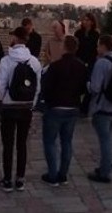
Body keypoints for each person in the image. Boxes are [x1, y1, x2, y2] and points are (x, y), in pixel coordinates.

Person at [0, 26, 42, 192]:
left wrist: (4, 100)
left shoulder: (6, 61)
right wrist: (32, 104)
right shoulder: (34, 62)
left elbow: (0, 86)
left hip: (9, 107)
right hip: (26, 108)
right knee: (22, 144)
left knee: (8, 144)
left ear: (15, 38)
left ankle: (7, 180)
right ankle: (20, 179)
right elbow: (37, 88)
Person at [41, 36, 88, 186]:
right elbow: (83, 88)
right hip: (72, 107)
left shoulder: (55, 66)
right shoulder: (82, 66)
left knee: (50, 142)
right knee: (67, 142)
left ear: (64, 47)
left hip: (55, 107)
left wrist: (47, 103)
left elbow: (46, 87)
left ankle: (52, 174)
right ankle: (63, 174)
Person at [87, 35, 112, 183]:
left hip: (103, 106)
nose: (96, 48)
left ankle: (105, 172)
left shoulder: (102, 63)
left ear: (103, 46)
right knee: (108, 138)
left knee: (105, 141)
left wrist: (87, 84)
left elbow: (95, 88)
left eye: (98, 45)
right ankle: (104, 166)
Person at [74, 13, 100, 117]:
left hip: (91, 62)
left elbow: (96, 49)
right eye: (84, 20)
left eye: (87, 20)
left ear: (92, 22)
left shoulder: (95, 34)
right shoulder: (78, 33)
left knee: (89, 86)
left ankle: (84, 109)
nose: (85, 22)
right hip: (79, 61)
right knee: (77, 85)